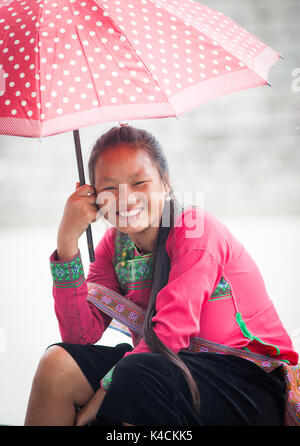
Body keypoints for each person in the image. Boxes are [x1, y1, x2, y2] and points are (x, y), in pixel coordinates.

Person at [24, 125, 298, 426]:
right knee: (58, 365)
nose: (125, 198)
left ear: (165, 182)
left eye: (139, 182)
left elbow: (169, 335)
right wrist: (67, 243)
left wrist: (98, 402)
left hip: (247, 383)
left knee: (137, 374)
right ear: (92, 195)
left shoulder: (196, 228)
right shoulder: (113, 246)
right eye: (110, 187)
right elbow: (79, 337)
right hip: (165, 370)